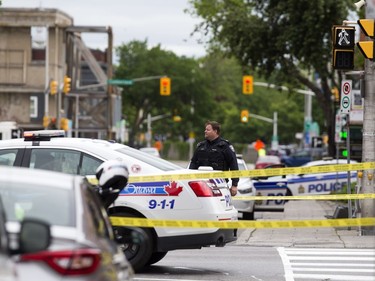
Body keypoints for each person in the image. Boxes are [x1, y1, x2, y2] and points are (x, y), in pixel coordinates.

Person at [188, 120, 239, 196]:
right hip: (201, 185)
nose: (205, 131)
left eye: (208, 130)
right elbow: (193, 163)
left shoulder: (224, 146)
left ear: (215, 131)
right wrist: (189, 178)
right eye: (205, 129)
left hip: (219, 185)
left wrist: (234, 185)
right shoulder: (201, 146)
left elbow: (233, 164)